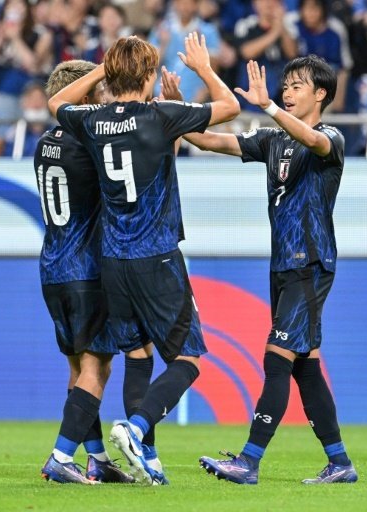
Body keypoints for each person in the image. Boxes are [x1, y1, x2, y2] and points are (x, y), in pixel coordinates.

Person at [47, 33, 241, 485]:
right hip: (156, 255)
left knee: (138, 351)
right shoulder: (161, 114)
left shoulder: (93, 120)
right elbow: (229, 107)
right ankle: (135, 429)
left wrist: (102, 69)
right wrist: (204, 70)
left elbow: (57, 101)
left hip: (113, 260)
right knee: (188, 358)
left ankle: (145, 457)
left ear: (113, 74)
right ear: (150, 75)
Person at [176, 55, 357, 485]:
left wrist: (269, 107)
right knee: (304, 366)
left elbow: (315, 142)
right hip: (281, 267)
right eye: (285, 86)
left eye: (297, 86)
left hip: (310, 266)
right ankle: (340, 463)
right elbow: (209, 141)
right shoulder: (273, 140)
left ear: (321, 94)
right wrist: (176, 112)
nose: (287, 92)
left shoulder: (331, 137)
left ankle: (248, 461)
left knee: (275, 359)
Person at [37, 59, 133, 486]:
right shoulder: (87, 141)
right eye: (100, 89)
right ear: (86, 94)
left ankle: (95, 457)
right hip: (86, 268)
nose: (106, 96)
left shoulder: (44, 142)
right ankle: (61, 457)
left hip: (52, 267)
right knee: (98, 366)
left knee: (79, 370)